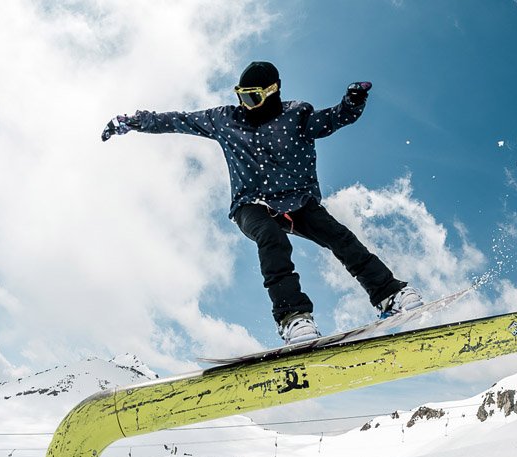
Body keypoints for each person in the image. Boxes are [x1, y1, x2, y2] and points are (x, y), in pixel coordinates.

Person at [101, 61, 423, 345]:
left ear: (272, 91)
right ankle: (293, 317)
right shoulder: (224, 119)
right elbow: (177, 120)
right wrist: (132, 121)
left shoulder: (297, 115)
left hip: (297, 201)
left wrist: (353, 102)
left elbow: (334, 119)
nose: (246, 105)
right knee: (272, 238)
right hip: (250, 204)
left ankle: (389, 294)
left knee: (339, 237)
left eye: (252, 97)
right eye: (241, 96)